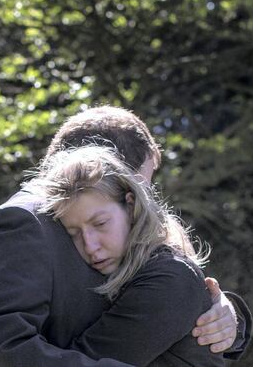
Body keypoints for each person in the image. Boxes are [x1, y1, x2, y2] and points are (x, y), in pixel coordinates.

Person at [0, 106, 250, 366]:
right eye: (143, 184)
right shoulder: (24, 223)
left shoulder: (158, 266)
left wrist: (229, 316)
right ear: (101, 171)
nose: (148, 203)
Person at [34, 145, 225, 366]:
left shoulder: (169, 280)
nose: (90, 245)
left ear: (130, 204)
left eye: (100, 224)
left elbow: (88, 360)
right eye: (74, 233)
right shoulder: (125, 270)